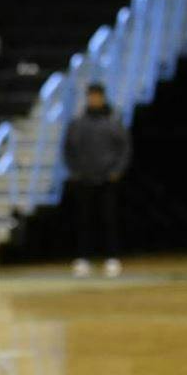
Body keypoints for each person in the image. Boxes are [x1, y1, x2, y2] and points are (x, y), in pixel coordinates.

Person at [63, 83, 131, 278]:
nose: (93, 99)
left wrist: (116, 171)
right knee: (83, 220)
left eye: (96, 96)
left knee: (108, 219)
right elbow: (68, 149)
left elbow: (124, 148)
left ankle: (111, 258)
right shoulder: (78, 123)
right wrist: (75, 170)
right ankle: (82, 258)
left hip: (107, 179)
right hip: (84, 178)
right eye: (91, 96)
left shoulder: (113, 122)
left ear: (102, 97)